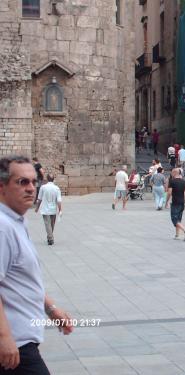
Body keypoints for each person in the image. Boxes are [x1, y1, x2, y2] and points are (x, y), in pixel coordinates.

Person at [0, 155, 73, 374]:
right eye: (22, 182)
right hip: (16, 345)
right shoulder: (3, 228)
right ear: (2, 187)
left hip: (22, 342)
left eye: (34, 182)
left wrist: (51, 309)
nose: (31, 188)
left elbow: (19, 280)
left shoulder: (16, 222)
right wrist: (4, 338)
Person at [34, 174, 62, 245]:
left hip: (45, 209)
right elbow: (59, 200)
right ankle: (50, 238)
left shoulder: (43, 187)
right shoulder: (56, 188)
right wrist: (60, 209)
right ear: (53, 179)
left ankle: (50, 238)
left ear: (47, 179)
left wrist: (37, 208)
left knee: (48, 224)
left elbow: (39, 199)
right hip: (53, 209)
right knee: (52, 224)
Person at [166, 168, 185, 241]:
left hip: (175, 203)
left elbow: (169, 192)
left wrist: (166, 201)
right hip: (182, 202)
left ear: (174, 173)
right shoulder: (183, 181)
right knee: (178, 219)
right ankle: (177, 235)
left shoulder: (172, 182)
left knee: (174, 219)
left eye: (172, 173)